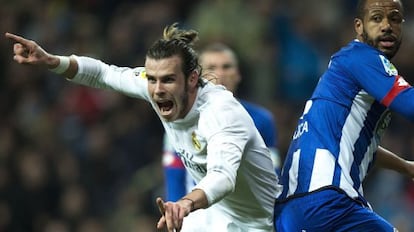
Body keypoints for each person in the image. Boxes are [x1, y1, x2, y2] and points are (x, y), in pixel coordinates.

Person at [5, 23, 281, 232]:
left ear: (192, 79)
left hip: (261, 222)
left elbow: (223, 177)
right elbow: (104, 73)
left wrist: (184, 204)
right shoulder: (157, 88)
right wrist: (53, 62)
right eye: (152, 79)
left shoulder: (220, 112)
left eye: (168, 80)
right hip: (217, 214)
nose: (158, 90)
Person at [274, 0, 414, 231]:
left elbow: (353, 142)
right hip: (328, 201)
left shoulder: (343, 69)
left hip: (291, 212)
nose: (387, 26)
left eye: (395, 19)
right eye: (377, 18)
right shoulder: (362, 57)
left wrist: (405, 167)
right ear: (359, 26)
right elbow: (409, 105)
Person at [162, 43, 280, 202]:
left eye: (226, 67)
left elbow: (271, 173)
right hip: (201, 214)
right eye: (212, 67)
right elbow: (175, 176)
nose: (220, 73)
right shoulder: (179, 121)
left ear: (237, 74)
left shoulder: (262, 119)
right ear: (196, 77)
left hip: (245, 214)